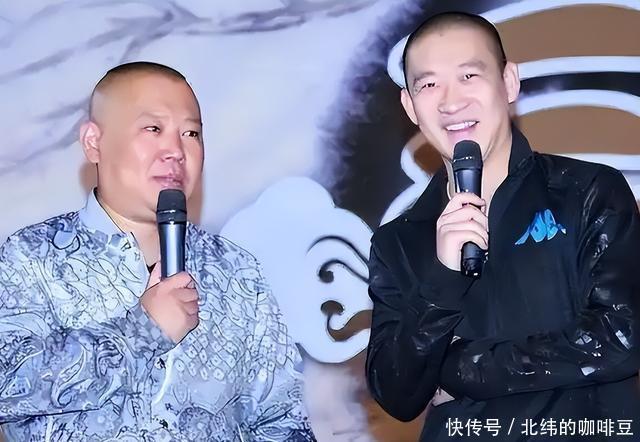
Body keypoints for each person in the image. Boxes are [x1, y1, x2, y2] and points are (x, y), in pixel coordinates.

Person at [0, 62, 315, 441]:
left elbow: (282, 420)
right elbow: (8, 383)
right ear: (93, 142)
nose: (176, 151)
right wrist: (142, 331)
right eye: (153, 129)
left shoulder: (235, 270)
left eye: (191, 133)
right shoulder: (31, 257)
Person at [365, 11, 640, 441]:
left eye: (469, 76)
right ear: (410, 106)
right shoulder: (397, 241)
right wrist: (441, 280)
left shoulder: (586, 192)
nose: (451, 102)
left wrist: (463, 367)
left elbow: (621, 338)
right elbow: (396, 393)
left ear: (508, 82)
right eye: (429, 85)